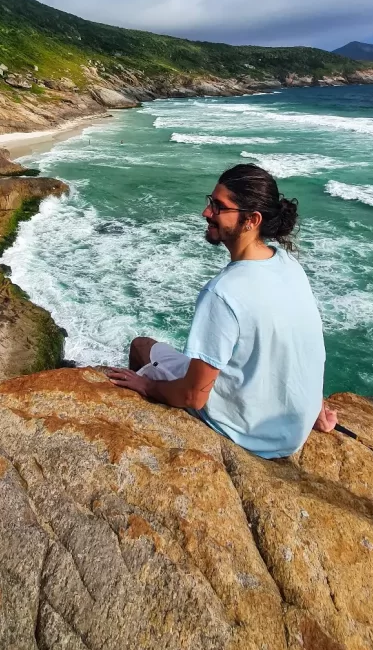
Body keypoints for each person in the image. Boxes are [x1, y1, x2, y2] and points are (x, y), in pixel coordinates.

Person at [106, 163, 337, 458]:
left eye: (218, 207)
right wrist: (313, 407)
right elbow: (306, 345)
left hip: (253, 436)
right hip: (293, 430)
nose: (206, 213)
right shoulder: (288, 264)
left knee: (141, 346)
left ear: (251, 220)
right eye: (210, 202)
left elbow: (193, 396)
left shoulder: (224, 292)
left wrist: (146, 386)